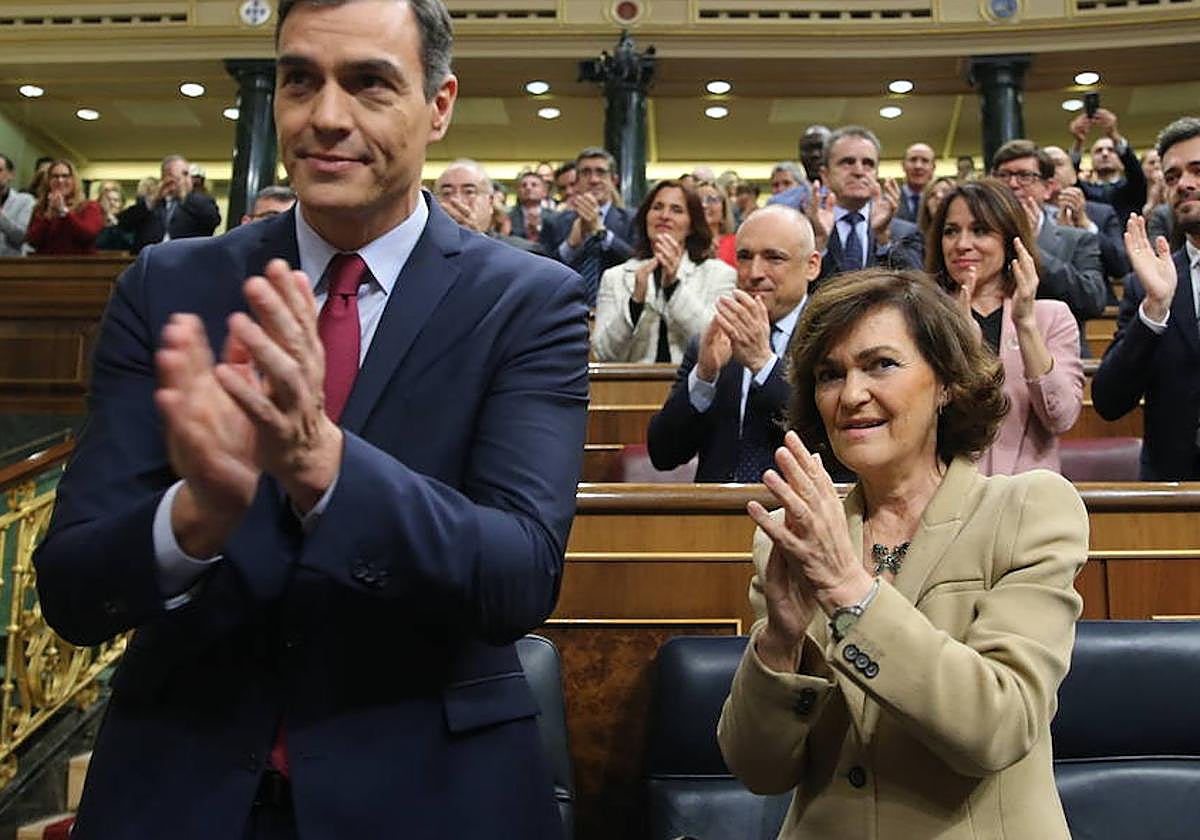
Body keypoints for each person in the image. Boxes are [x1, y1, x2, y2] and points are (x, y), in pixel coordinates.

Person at [33, 1, 588, 838]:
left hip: (432, 788)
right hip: (180, 783)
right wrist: (194, 517)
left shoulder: (528, 300)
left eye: (369, 83)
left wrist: (324, 466)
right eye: (301, 81)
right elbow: (72, 590)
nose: (326, 117)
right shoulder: (166, 285)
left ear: (438, 106)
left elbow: (518, 575)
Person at [717, 268, 1088, 840]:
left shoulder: (1028, 510)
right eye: (830, 374)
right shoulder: (790, 537)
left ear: (947, 383)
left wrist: (847, 590)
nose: (851, 394)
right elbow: (759, 770)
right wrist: (780, 643)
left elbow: (998, 725)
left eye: (881, 364)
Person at [646, 205, 821, 482]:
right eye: (744, 257)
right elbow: (663, 454)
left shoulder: (833, 340)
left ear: (812, 266)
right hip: (714, 517)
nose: (754, 272)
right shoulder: (713, 340)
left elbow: (826, 439)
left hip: (796, 516)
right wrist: (703, 377)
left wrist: (764, 365)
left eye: (774, 258)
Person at [927, 179, 1083, 475]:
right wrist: (962, 348)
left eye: (980, 230)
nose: (962, 244)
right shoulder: (921, 317)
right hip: (941, 493)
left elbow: (1060, 417)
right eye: (951, 231)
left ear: (1010, 240)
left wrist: (1026, 326)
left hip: (1029, 497)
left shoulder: (1051, 317)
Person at [1092, 116, 1200, 480]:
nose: (1184, 184)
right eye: (1172, 177)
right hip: (1173, 494)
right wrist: (1154, 310)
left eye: (1197, 170)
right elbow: (1108, 401)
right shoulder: (1148, 283)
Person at [591, 179, 734, 363]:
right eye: (657, 207)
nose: (664, 215)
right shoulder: (614, 277)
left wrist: (673, 288)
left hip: (693, 388)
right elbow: (603, 353)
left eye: (677, 210)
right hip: (628, 389)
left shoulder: (720, 275)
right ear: (646, 217)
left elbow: (715, 344)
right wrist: (635, 303)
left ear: (691, 224)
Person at [990, 140, 1107, 345]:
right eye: (1004, 175)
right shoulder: (977, 240)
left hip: (1056, 351)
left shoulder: (1077, 238)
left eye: (1025, 176)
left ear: (1048, 187)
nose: (1013, 184)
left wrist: (1030, 247)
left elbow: (1092, 301)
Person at [807, 125, 923, 284]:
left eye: (868, 163)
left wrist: (883, 240)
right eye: (847, 162)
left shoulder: (905, 233)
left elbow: (915, 291)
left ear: (877, 174)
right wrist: (820, 242)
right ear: (825, 175)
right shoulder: (805, 230)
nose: (859, 171)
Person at [540, 146, 636, 306]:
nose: (593, 180)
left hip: (619, 308)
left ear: (614, 180)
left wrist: (602, 233)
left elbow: (637, 264)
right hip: (567, 309)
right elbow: (543, 274)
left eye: (601, 172)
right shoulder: (554, 222)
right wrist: (570, 245)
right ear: (577, 182)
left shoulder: (633, 219)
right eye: (585, 173)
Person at [435, 158, 546, 255]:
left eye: (469, 192)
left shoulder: (524, 252)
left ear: (490, 202)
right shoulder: (423, 251)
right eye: (447, 193)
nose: (457, 200)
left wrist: (476, 239)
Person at [117, 154, 221, 252]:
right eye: (183, 174)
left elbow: (213, 220)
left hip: (186, 260)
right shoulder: (151, 203)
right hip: (152, 260)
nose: (187, 179)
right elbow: (123, 223)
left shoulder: (200, 200)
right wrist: (152, 200)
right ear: (166, 177)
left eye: (187, 174)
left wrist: (185, 197)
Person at [1067, 108, 1147, 225]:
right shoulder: (1084, 191)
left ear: (1121, 160)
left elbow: (1136, 173)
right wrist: (1078, 143)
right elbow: (1068, 178)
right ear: (1092, 160)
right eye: (1098, 151)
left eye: (1111, 150)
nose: (1105, 154)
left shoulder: (1132, 187)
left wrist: (1114, 135)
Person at [25, 159, 105, 254]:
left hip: (80, 265)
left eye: (65, 176)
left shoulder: (89, 206)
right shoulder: (40, 208)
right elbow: (32, 241)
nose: (60, 180)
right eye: (55, 176)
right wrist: (48, 216)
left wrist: (64, 212)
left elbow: (88, 235)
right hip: (45, 265)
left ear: (74, 180)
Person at [0, 152, 34, 256]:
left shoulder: (25, 201)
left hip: (10, 267)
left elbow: (23, 237)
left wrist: (1, 218)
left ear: (11, 175)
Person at [697, 180, 736, 266]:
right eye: (698, 201)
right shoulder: (685, 243)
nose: (704, 205)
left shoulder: (736, 244)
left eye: (711, 200)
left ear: (724, 209)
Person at [897, 142, 937, 223]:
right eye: (913, 160)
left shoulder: (942, 203)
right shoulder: (888, 201)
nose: (918, 166)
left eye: (925, 161)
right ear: (903, 165)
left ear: (933, 168)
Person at [94, 180, 135, 251]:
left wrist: (115, 223)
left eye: (116, 200)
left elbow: (129, 243)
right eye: (108, 200)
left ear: (122, 203)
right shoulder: (94, 222)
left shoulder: (129, 222)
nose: (112, 203)